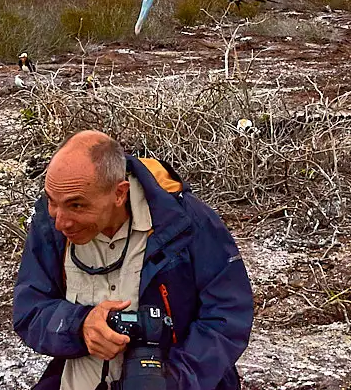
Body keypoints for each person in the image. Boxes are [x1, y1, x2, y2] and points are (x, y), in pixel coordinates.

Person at [13, 130, 254, 389]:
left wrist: (174, 381)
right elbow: (29, 309)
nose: (61, 222)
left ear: (119, 193)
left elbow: (228, 315)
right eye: (52, 201)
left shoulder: (184, 223)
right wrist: (80, 326)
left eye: (77, 206)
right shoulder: (51, 225)